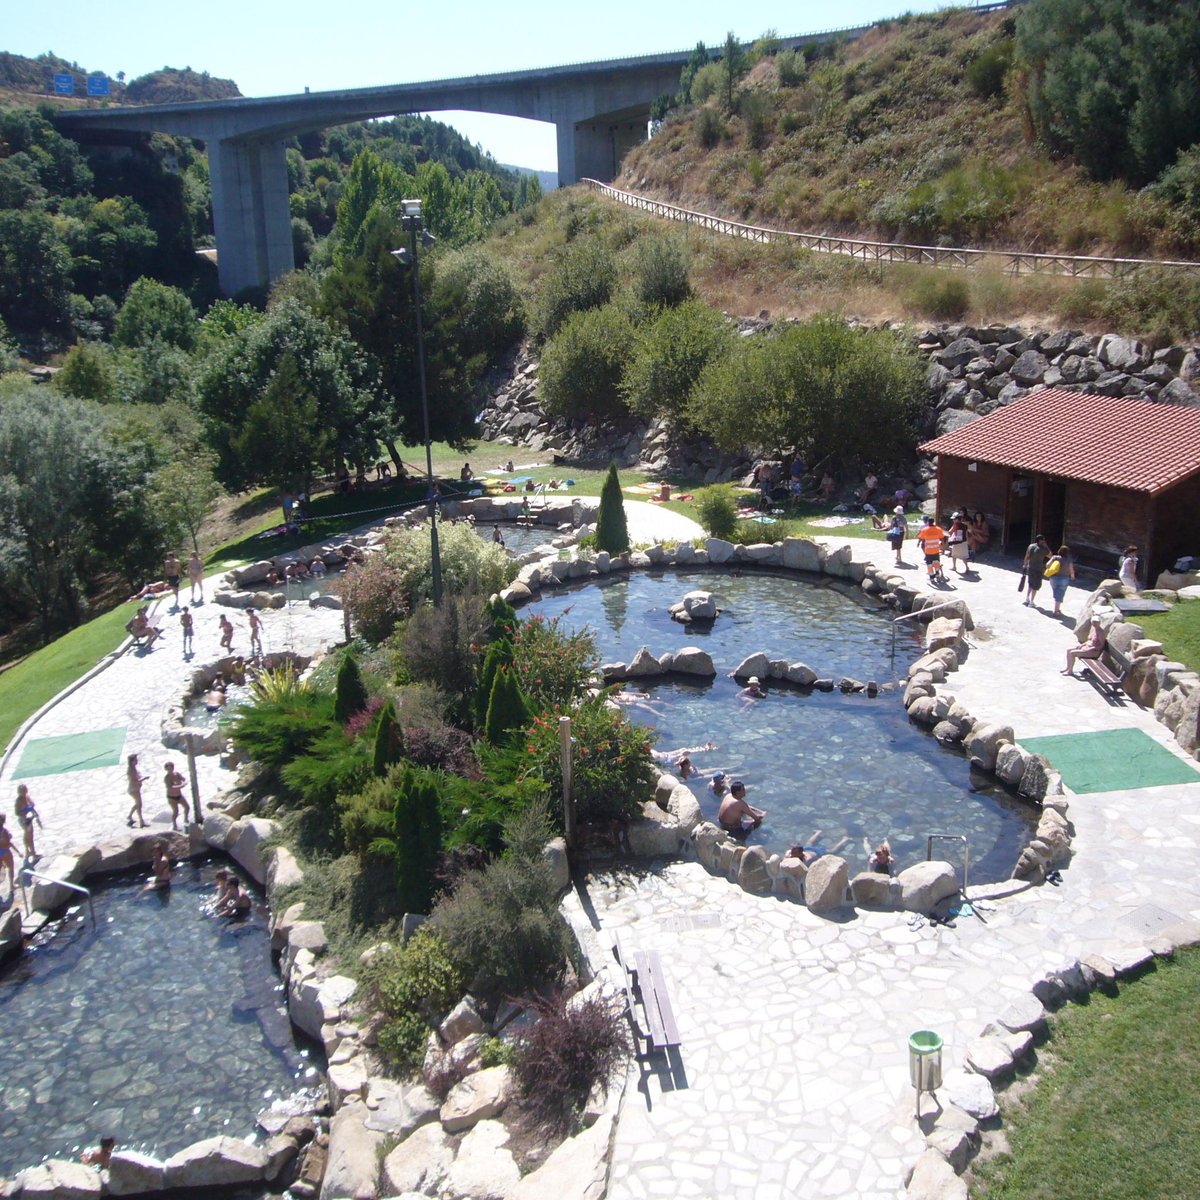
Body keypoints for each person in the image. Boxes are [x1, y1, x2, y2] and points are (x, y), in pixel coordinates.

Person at [1063, 611, 1109, 675]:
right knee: (1069, 650)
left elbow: (1101, 645)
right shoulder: (1094, 629)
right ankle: (1067, 668)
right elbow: (1089, 640)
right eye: (1093, 621)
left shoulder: (1100, 632)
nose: (1094, 623)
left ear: (1099, 622)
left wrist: (1090, 649)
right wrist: (1082, 645)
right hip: (1086, 648)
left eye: (1096, 622)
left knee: (1072, 653)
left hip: (1094, 652)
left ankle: (1070, 671)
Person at [1046, 544, 1076, 617]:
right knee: (1059, 594)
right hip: (1064, 579)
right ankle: (1056, 611)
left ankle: (1057, 608)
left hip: (1053, 579)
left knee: (1057, 593)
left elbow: (1047, 565)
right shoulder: (1069, 560)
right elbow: (1071, 570)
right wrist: (1072, 577)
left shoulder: (1055, 557)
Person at [786, 831, 850, 864]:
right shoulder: (795, 852)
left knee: (832, 851)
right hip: (806, 849)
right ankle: (817, 833)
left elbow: (811, 860)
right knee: (809, 842)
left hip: (817, 852)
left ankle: (844, 840)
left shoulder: (807, 859)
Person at [1022, 533, 1050, 608]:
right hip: (1038, 569)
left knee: (1030, 584)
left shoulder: (1031, 546)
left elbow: (1027, 556)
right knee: (1036, 586)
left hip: (1030, 568)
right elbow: (1051, 556)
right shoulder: (1042, 549)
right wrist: (1046, 546)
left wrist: (1025, 565)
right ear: (1040, 541)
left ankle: (1027, 598)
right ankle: (1032, 601)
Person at [916, 515, 946, 584]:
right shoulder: (938, 529)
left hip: (928, 551)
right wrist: (943, 546)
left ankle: (931, 577)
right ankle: (937, 574)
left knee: (929, 564)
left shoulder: (925, 530)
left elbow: (921, 538)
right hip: (936, 550)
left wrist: (918, 543)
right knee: (936, 562)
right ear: (934, 522)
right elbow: (942, 538)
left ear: (928, 522)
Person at [14, 784, 41, 862]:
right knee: (29, 837)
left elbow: (31, 806)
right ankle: (32, 853)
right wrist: (25, 812)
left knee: (29, 836)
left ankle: (30, 852)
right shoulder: (18, 801)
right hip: (24, 820)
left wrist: (35, 814)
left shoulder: (27, 797)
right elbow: (17, 813)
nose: (24, 792)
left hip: (29, 818)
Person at [163, 762, 188, 831]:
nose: (170, 770)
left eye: (171, 768)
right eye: (168, 768)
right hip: (171, 797)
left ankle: (186, 819)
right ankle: (174, 824)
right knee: (176, 811)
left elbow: (184, 779)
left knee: (187, 807)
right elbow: (170, 787)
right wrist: (181, 786)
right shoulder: (167, 778)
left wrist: (184, 782)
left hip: (179, 795)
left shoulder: (177, 774)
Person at [126, 754, 148, 828]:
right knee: (139, 804)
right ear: (132, 761)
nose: (137, 761)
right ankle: (141, 821)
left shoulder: (133, 768)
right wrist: (144, 779)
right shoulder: (131, 770)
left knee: (137, 804)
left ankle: (130, 816)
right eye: (135, 760)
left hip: (136, 788)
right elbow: (134, 781)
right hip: (133, 789)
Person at [0, 815, 14, 897]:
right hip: (5, 853)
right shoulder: (4, 831)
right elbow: (8, 843)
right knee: (10, 868)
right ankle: (11, 885)